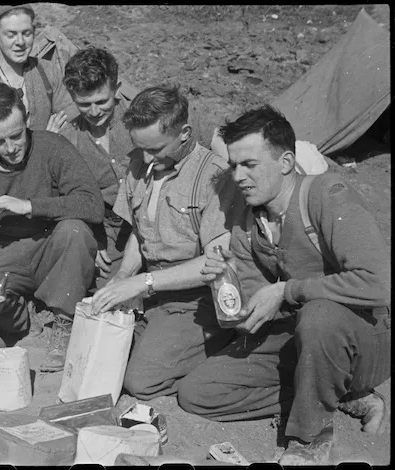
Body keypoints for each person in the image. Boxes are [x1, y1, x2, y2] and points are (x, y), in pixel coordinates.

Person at [178, 105, 391, 465]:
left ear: (286, 162)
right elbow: (250, 306)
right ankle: (334, 395)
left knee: (319, 315)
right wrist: (225, 282)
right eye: (233, 165)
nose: (238, 176)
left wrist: (286, 291)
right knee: (198, 392)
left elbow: (378, 283)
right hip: (306, 339)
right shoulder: (250, 221)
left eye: (250, 164)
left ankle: (311, 440)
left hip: (366, 338)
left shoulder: (328, 196)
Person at [91, 84, 241, 399]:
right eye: (139, 147)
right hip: (152, 291)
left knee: (139, 382)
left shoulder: (215, 176)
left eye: (156, 149)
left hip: (196, 299)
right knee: (104, 360)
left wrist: (141, 283)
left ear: (185, 133)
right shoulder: (139, 163)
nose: (146, 158)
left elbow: (216, 263)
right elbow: (139, 230)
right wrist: (122, 276)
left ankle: (227, 344)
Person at [0, 83, 104, 372]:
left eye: (16, 136)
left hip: (53, 247)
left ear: (27, 121)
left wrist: (30, 206)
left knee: (75, 230)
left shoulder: (53, 147)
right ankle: (25, 317)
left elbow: (91, 204)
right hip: (6, 254)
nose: (10, 149)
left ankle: (63, 319)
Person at [60, 47, 134, 288]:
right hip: (111, 229)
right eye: (84, 104)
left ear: (117, 88)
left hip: (153, 219)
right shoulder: (70, 136)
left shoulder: (140, 118)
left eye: (102, 101)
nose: (94, 112)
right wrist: (95, 236)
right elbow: (70, 197)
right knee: (112, 295)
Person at [0, 4, 77, 152]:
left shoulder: (48, 70)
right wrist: (44, 140)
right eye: (11, 35)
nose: (20, 42)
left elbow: (70, 118)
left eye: (26, 33)